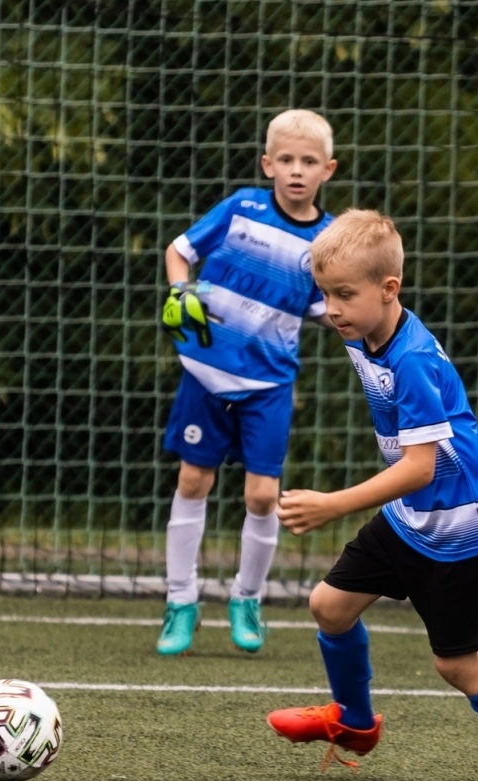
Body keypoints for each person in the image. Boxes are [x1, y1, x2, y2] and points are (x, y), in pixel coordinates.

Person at [267, 209, 478, 781]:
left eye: (343, 295)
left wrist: (331, 505)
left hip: (463, 523)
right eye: (325, 294)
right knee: (331, 606)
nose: (332, 308)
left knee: (456, 665)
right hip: (415, 515)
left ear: (389, 290)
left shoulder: (413, 360)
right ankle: (354, 721)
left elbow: (419, 469)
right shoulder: (362, 324)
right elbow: (333, 281)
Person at [155, 109, 338, 656]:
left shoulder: (328, 239)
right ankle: (180, 602)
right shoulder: (241, 208)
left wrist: (363, 319)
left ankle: (247, 598)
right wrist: (179, 291)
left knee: (262, 496)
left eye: (308, 161)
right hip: (205, 375)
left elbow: (321, 307)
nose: (296, 171)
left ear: (328, 169)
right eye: (285, 160)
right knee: (193, 482)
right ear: (268, 164)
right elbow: (179, 252)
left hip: (269, 385)